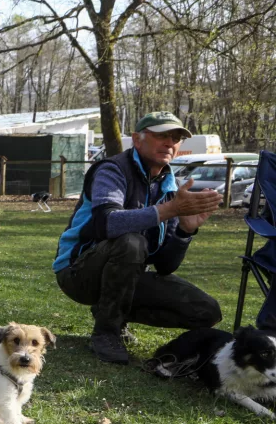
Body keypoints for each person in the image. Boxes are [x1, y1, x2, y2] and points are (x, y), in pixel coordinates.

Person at [53, 111, 223, 364]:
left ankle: (112, 313)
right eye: (161, 136)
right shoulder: (112, 170)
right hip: (77, 273)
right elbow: (107, 224)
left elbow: (165, 265)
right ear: (137, 139)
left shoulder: (170, 186)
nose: (169, 143)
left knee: (207, 312)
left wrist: (185, 231)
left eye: (176, 138)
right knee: (131, 242)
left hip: (125, 275)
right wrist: (171, 210)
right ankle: (107, 333)